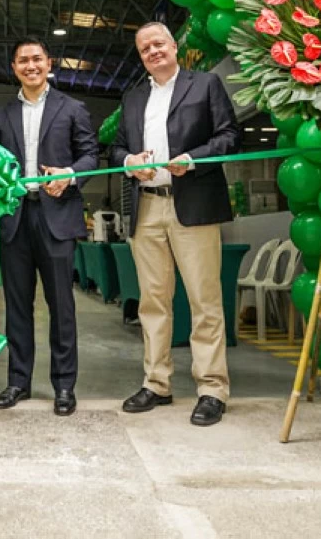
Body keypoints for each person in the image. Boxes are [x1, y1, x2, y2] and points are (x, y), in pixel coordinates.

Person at [109, 22, 240, 426]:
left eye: (159, 43)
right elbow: (115, 147)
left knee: (204, 300)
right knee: (153, 301)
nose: (153, 51)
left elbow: (230, 135)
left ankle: (212, 389)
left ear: (174, 46)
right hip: (147, 208)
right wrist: (130, 162)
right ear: (141, 56)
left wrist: (194, 158)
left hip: (193, 204)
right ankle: (156, 383)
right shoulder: (132, 99)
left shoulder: (205, 86)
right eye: (145, 47)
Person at [0, 38, 98, 416]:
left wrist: (69, 174)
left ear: (48, 63)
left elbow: (90, 156)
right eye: (23, 60)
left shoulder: (73, 108)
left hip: (57, 218)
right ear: (14, 67)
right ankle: (18, 382)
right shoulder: (1, 116)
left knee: (61, 306)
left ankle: (64, 386)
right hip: (15, 218)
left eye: (37, 59)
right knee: (18, 306)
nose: (30, 65)